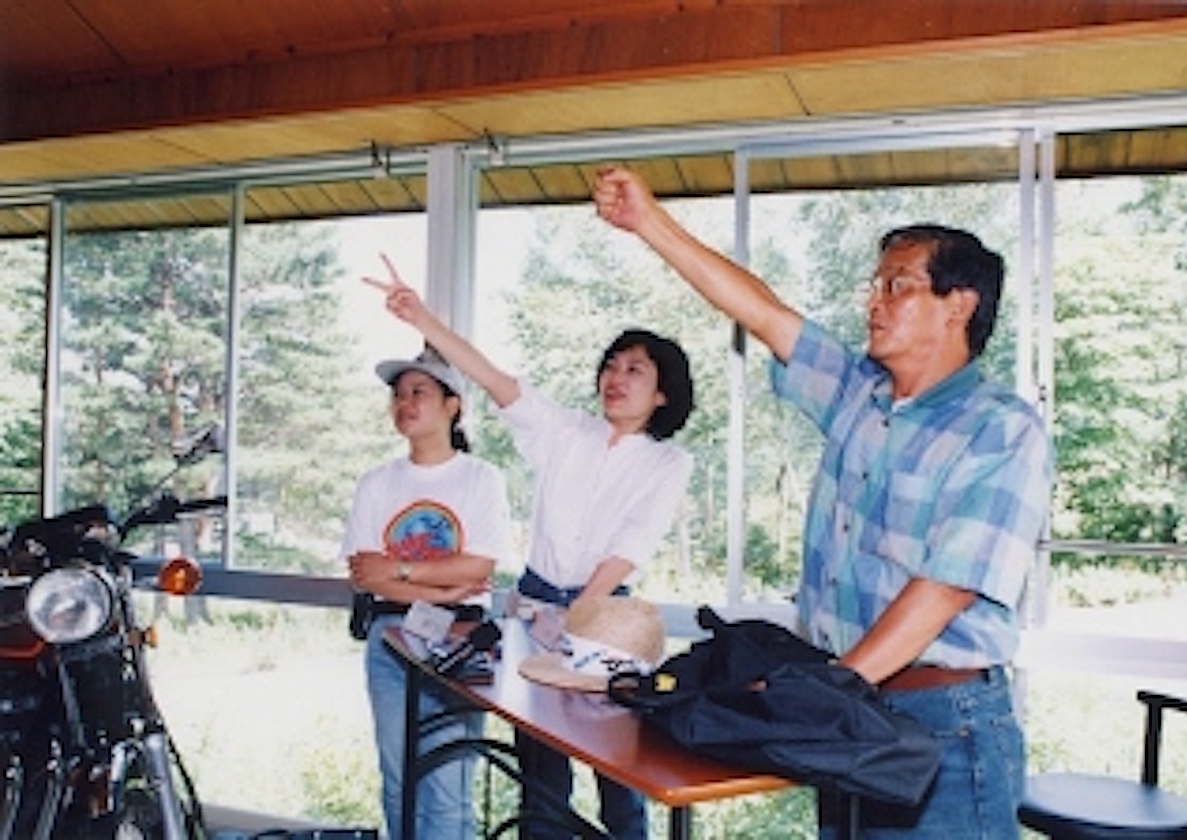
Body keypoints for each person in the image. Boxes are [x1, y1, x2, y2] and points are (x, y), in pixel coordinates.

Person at [592, 165, 1053, 839]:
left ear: (959, 305)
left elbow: (946, 588)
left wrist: (825, 690)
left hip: (943, 726)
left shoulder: (1001, 428)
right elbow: (762, 312)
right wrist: (649, 223)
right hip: (850, 713)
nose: (873, 300)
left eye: (898, 285)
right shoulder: (858, 396)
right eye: (874, 285)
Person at [364, 254, 695, 840]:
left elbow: (630, 544)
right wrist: (422, 317)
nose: (615, 377)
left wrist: (581, 620)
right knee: (542, 778)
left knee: (622, 778)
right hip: (535, 606)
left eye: (635, 370)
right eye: (611, 366)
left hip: (608, 619)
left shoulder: (670, 462)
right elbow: (493, 378)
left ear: (663, 393)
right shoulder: (565, 432)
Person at [341, 345, 513, 840]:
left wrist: (398, 570)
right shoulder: (377, 483)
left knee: (449, 785)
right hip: (389, 635)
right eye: (398, 395)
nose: (405, 403)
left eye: (419, 391)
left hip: (461, 639)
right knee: (399, 780)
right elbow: (363, 575)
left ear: (452, 404)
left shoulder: (482, 479)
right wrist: (448, 581)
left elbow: (481, 565)